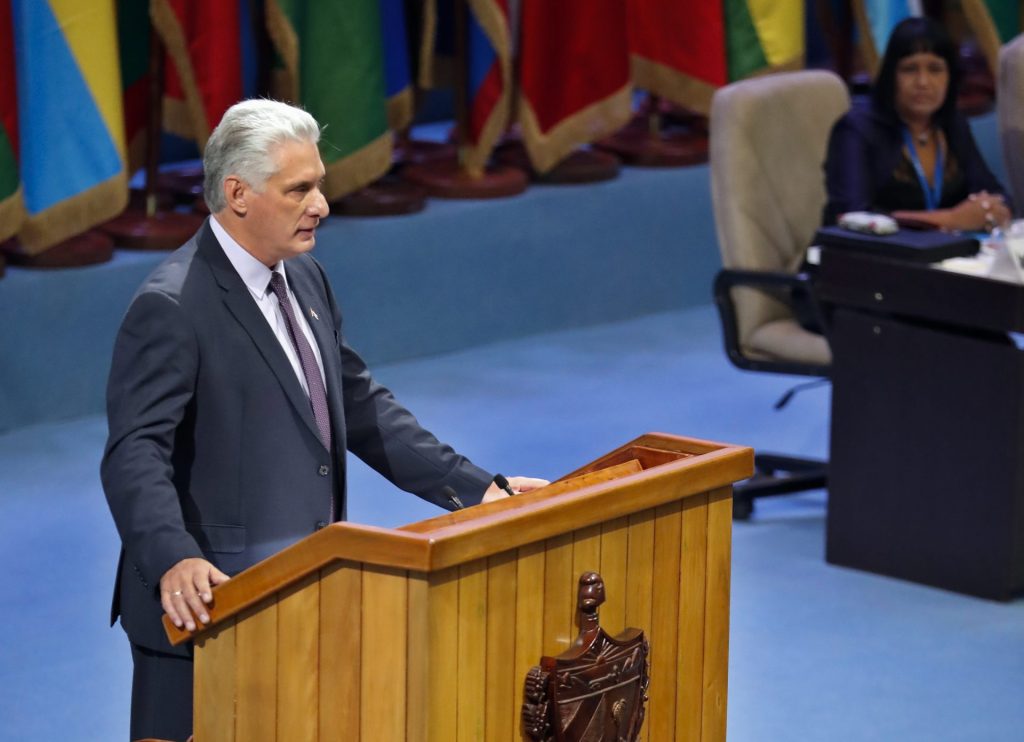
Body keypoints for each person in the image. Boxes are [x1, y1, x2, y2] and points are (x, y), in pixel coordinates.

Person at [101, 99, 547, 742]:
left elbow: (360, 407)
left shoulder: (305, 278)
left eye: (320, 185)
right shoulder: (172, 306)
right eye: (300, 189)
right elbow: (134, 451)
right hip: (207, 609)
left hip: (306, 591)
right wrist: (175, 559)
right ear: (238, 194)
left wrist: (476, 490)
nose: (322, 205)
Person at [823, 16, 1012, 231]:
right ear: (890, 75)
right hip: (866, 259)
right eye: (910, 69)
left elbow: (996, 194)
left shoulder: (951, 124)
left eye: (935, 69)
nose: (923, 82)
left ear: (950, 77)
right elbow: (853, 218)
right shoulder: (856, 129)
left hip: (942, 257)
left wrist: (990, 209)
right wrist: (951, 219)